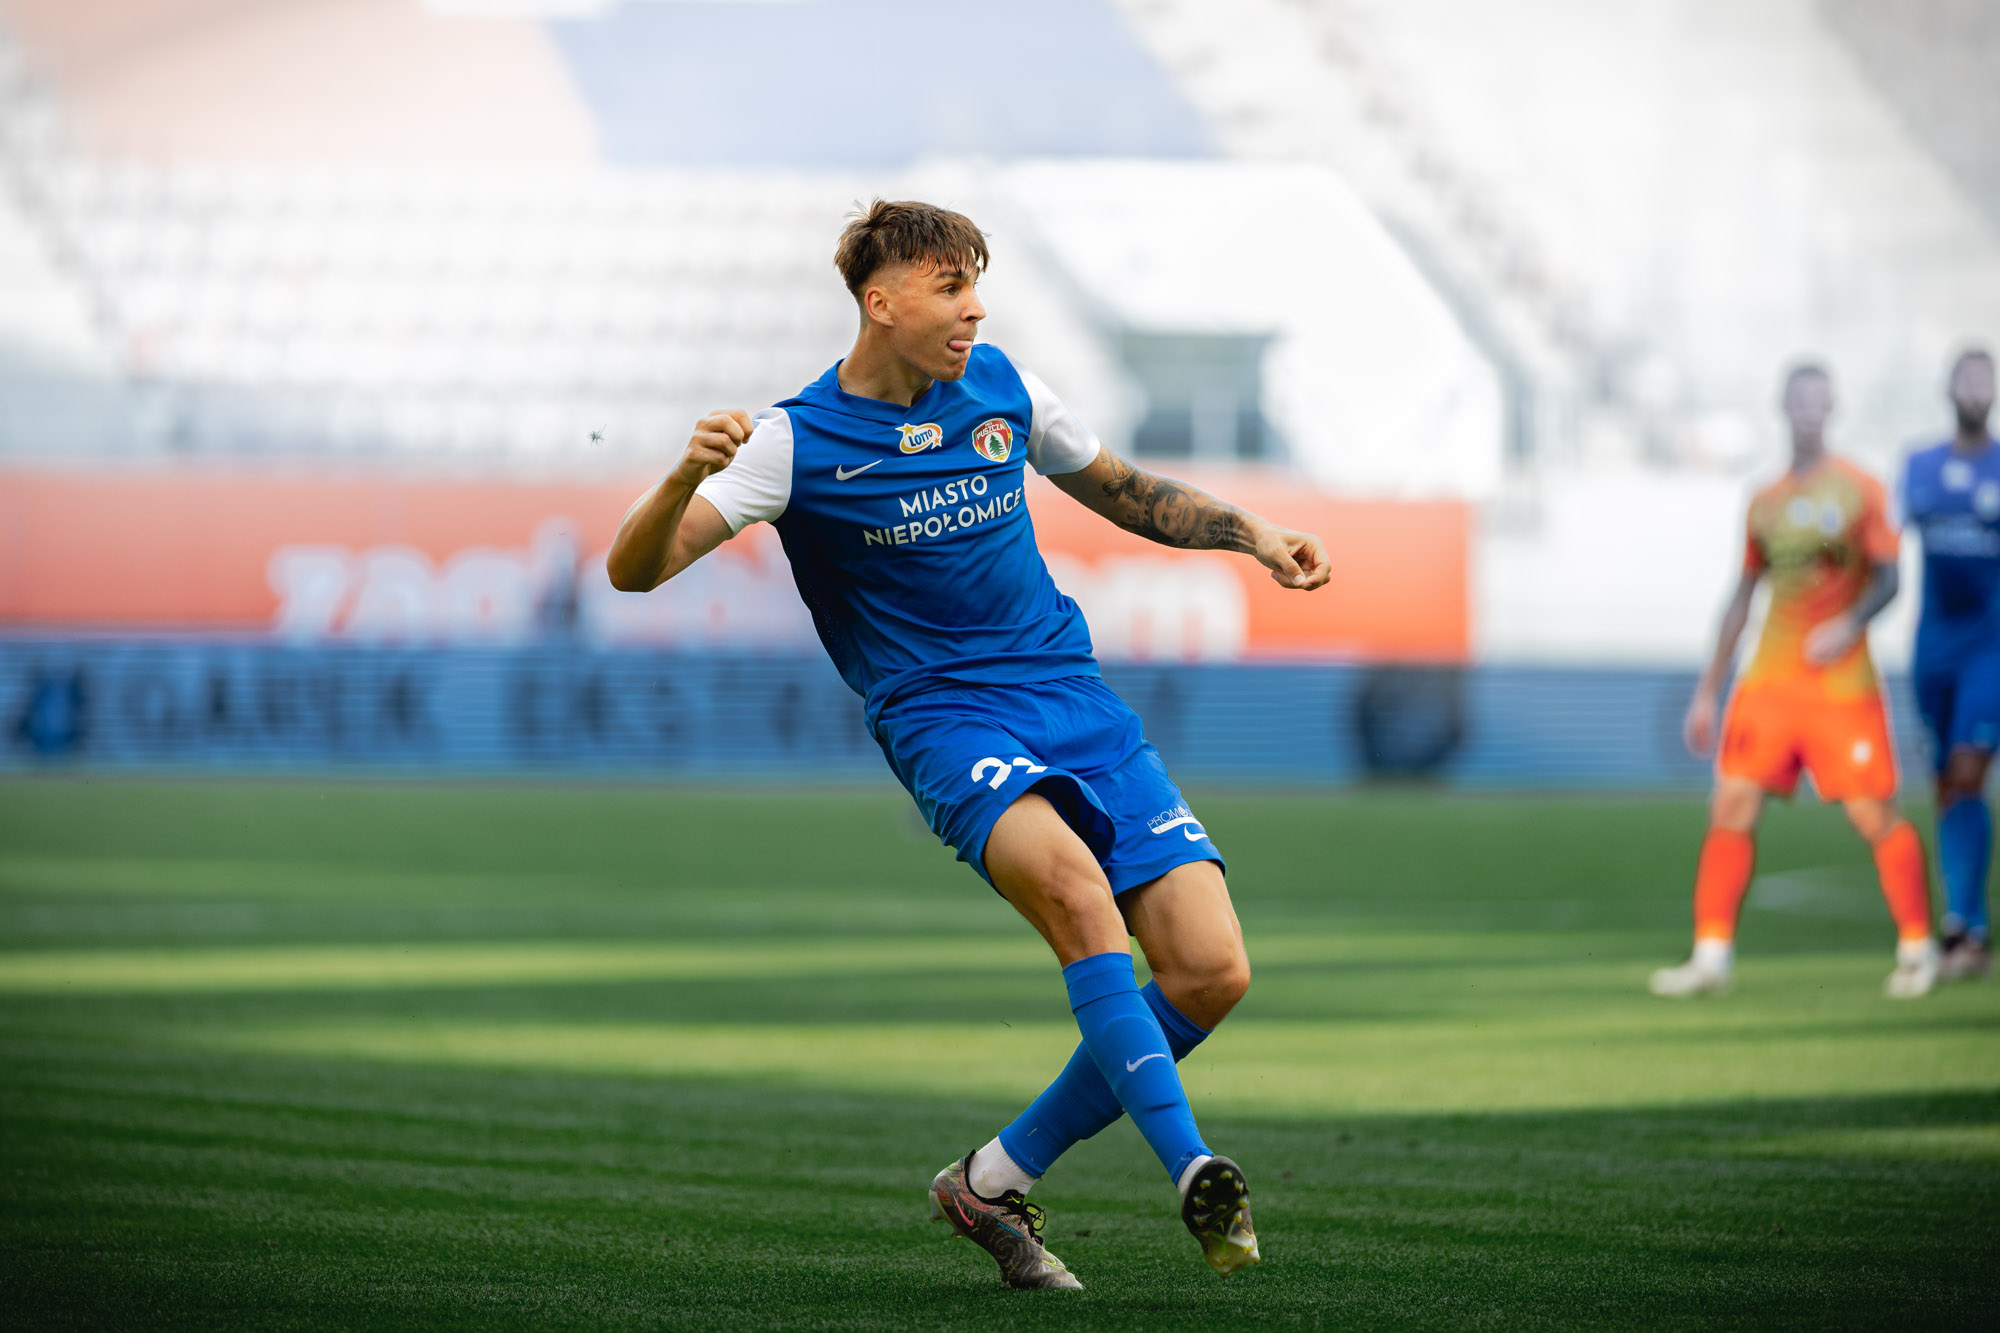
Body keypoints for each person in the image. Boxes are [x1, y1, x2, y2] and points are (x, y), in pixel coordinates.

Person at [606, 200, 1330, 1289]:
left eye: (975, 286)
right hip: (944, 718)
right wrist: (678, 476)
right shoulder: (792, 444)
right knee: (1080, 896)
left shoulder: (1005, 390)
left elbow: (1127, 494)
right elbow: (635, 571)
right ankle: (1193, 1167)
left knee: (1210, 968)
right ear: (879, 301)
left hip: (1072, 697)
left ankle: (989, 1180)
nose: (973, 309)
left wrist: (1252, 533)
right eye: (949, 287)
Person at [1651, 363, 1938, 1000]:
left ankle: (1918, 948)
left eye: (1818, 400)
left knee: (1871, 813)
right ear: (1782, 407)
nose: (1809, 410)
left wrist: (1850, 623)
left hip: (1840, 686)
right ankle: (1711, 956)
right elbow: (1742, 593)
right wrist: (1708, 690)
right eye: (1799, 400)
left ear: (1832, 408)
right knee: (1731, 803)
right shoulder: (1765, 500)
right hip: (1771, 681)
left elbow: (1890, 578)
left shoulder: (1861, 489)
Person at [1900, 348, 2000, 980]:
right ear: (1949, 389)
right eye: (1967, 378)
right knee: (1945, 784)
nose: (1976, 389)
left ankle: (1969, 928)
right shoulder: (1918, 466)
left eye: (1986, 379)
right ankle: (1962, 921)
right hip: (1932, 650)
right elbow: (1885, 545)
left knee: (1967, 771)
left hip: (1989, 650)